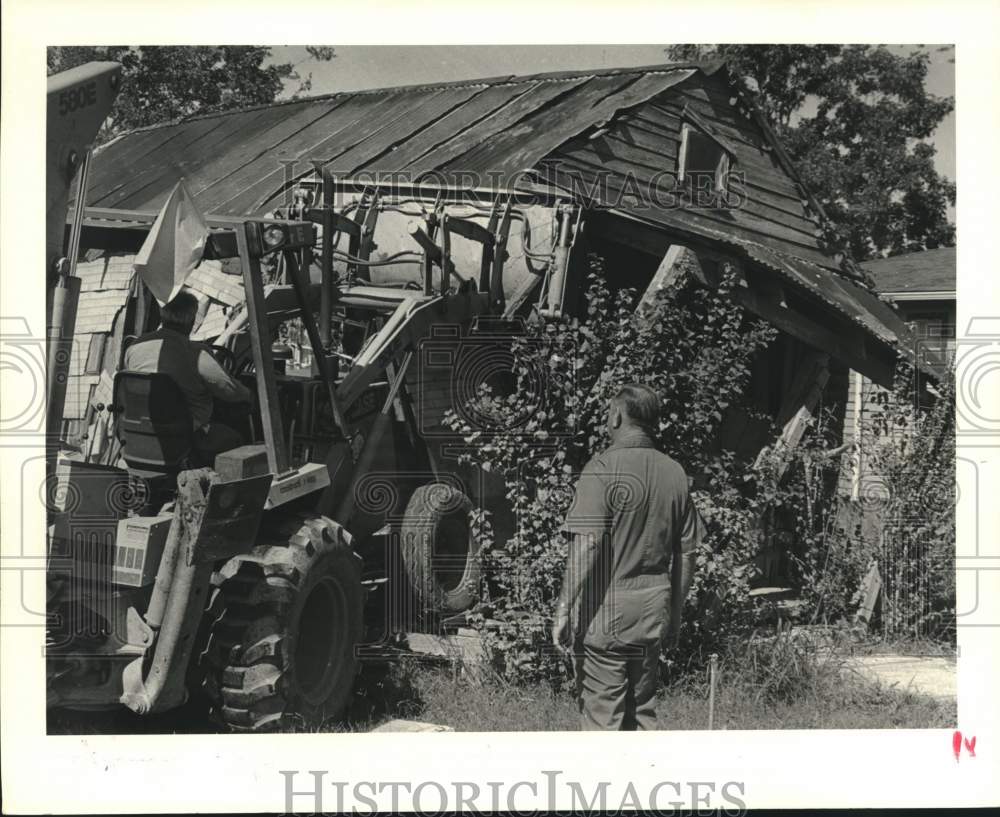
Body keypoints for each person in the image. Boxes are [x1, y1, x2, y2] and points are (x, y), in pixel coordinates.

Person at [552, 383, 705, 730]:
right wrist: (675, 615)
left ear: (618, 416)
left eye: (609, 413)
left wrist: (562, 610)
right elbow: (687, 553)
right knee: (642, 713)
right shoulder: (675, 473)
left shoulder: (602, 469)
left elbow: (588, 545)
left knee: (603, 722)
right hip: (653, 611)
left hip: (606, 616)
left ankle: (605, 785)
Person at [124, 288, 252, 462]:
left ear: (163, 317)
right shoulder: (197, 354)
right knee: (235, 439)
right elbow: (230, 392)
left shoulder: (135, 347)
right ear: (192, 322)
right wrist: (249, 393)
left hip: (140, 433)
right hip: (185, 438)